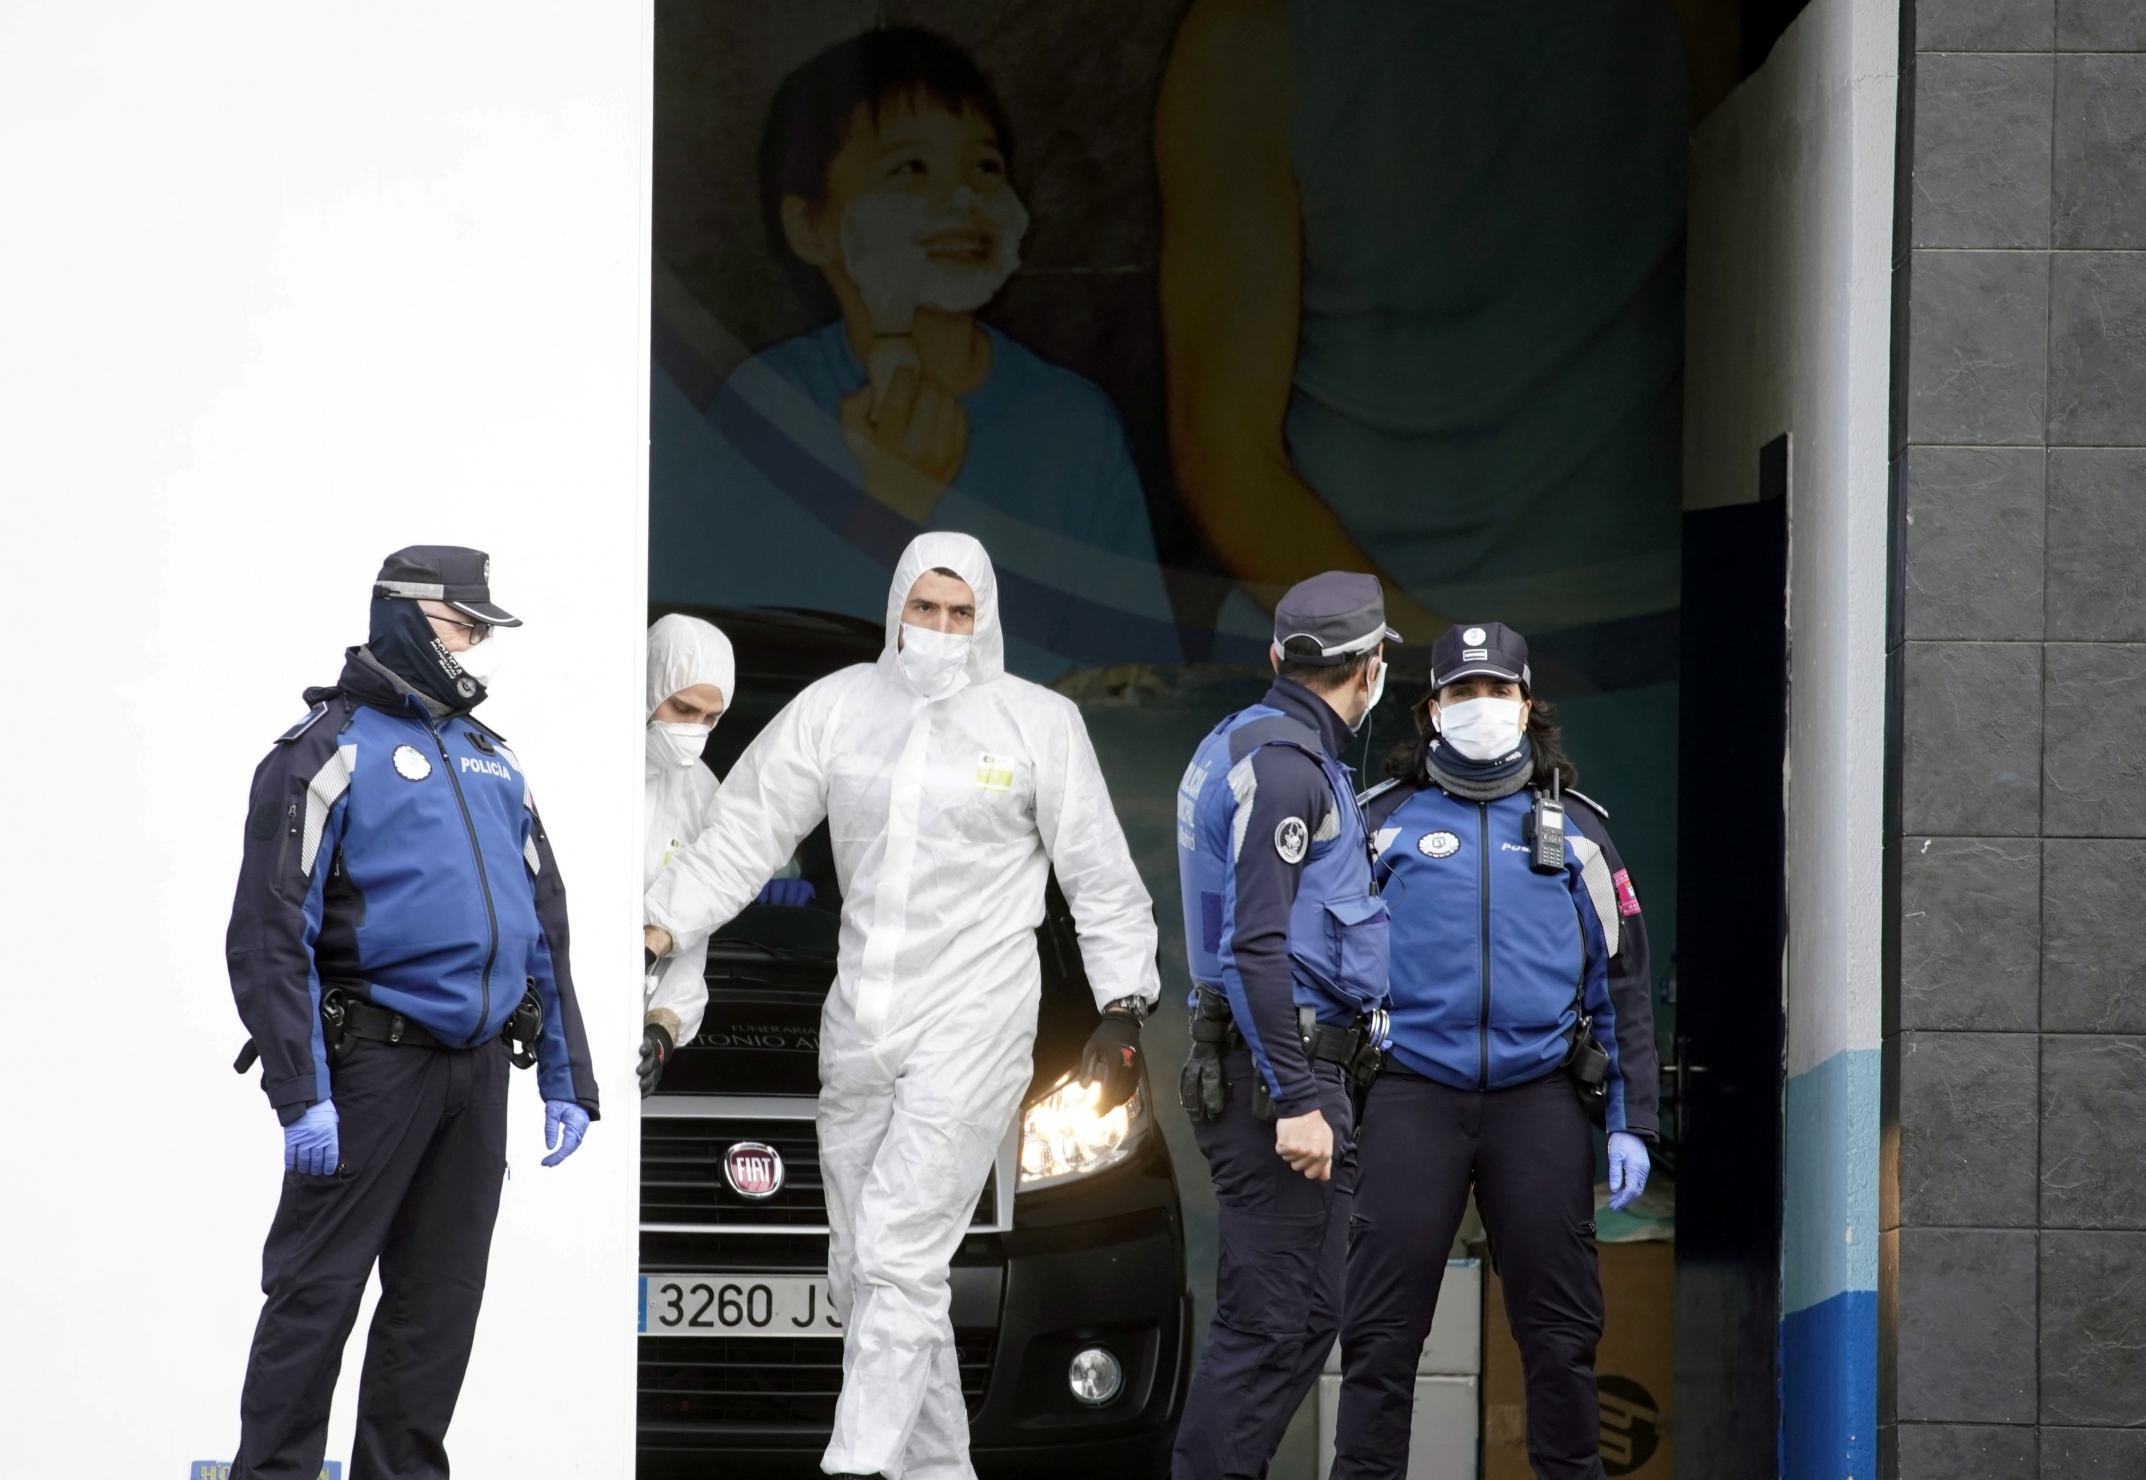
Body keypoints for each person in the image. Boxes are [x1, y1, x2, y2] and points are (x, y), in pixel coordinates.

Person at [641, 530, 1159, 1480]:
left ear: (988, 617)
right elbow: (743, 831)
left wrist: (1122, 998)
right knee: (862, 1272)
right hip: (860, 1016)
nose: (939, 631)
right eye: (924, 608)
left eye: (960, 613)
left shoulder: (1037, 724)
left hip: (976, 1016)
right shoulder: (838, 709)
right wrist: (657, 928)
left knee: (902, 1256)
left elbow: (1100, 871)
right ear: (895, 606)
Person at [220, 546, 598, 1480]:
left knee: (436, 1313)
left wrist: (566, 1077)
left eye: (481, 631)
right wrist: (302, 1091)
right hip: (369, 1064)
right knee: (316, 1300)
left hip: (476, 1077)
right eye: (458, 623)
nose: (472, 646)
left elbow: (545, 930)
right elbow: (266, 930)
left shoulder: (492, 759)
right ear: (398, 616)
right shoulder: (325, 750)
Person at [1156, 0, 1694, 648]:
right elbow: (1225, 449)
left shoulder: (1687, 26)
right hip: (1359, 651)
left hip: (1656, 645)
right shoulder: (1253, 39)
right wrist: (1448, 671)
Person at [1314, 622, 1658, 1480]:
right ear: (1428, 708)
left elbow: (1624, 989)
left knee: (1559, 1343)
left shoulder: (1581, 833)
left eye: (1496, 687)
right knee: (1380, 1340)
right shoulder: (1377, 822)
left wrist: (1632, 1119)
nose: (1480, 702)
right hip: (1411, 1095)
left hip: (1539, 1102)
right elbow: (1324, 974)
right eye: (1461, 687)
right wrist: (1329, 1103)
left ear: (1526, 701)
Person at [657, 25, 1180, 674]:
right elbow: (723, 661)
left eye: (985, 168)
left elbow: (1135, 672)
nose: (963, 199)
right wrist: (891, 500)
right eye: (911, 169)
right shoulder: (766, 408)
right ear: (810, 225)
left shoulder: (1075, 424)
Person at [1151, 571, 1395, 1480]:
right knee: (1270, 1325)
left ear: (1279, 659)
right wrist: (1301, 1096)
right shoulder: (1291, 770)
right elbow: (1258, 943)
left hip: (1271, 1071)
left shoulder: (1250, 742)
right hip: (1278, 1081)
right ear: (1371, 669)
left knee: (1294, 1319)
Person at [639, 613, 737, 1093]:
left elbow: (692, 935)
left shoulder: (702, 791)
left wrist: (662, 1028)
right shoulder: (587, 764)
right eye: (682, 708)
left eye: (710, 719)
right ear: (650, 684)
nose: (694, 730)